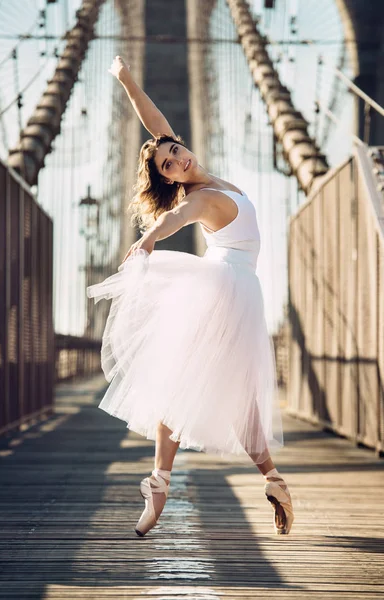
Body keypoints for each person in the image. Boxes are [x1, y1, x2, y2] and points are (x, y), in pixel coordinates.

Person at [87, 56, 294, 537]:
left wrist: (126, 80)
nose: (178, 158)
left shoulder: (199, 176)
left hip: (233, 289)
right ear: (170, 179)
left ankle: (178, 483)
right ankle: (255, 479)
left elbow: (156, 126)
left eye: (177, 151)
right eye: (169, 165)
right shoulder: (196, 197)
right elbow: (172, 220)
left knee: (198, 389)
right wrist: (149, 239)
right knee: (186, 387)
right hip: (229, 288)